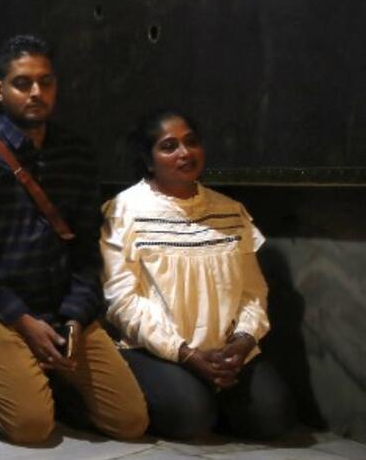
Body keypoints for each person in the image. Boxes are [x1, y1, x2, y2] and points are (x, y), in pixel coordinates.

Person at [0, 35, 147, 444]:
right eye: (22, 83)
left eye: (46, 82)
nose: (36, 92)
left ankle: (45, 377)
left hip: (63, 311)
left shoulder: (77, 153)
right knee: (32, 429)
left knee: (129, 422)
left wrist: (75, 315)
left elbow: (87, 246)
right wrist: (22, 320)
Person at [102, 109, 295, 440]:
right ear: (149, 161)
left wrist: (242, 340)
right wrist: (185, 353)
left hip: (226, 351)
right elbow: (123, 301)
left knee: (275, 418)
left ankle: (214, 391)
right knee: (190, 417)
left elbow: (253, 291)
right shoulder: (123, 210)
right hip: (157, 349)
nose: (184, 153)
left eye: (191, 142)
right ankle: (195, 396)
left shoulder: (230, 211)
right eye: (169, 146)